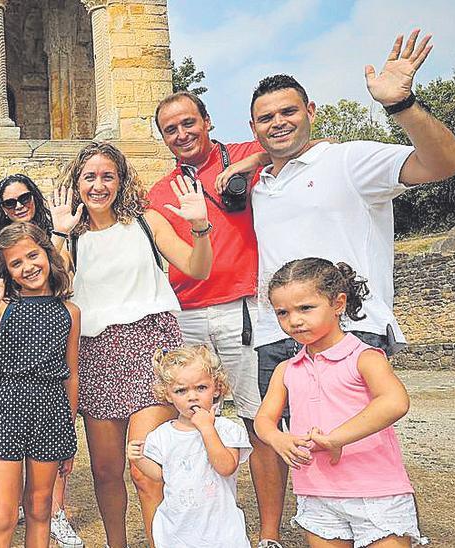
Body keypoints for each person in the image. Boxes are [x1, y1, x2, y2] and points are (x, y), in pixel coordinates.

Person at [227, 30, 455, 527]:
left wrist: (402, 105)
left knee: (365, 451)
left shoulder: (349, 159)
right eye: (266, 118)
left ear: (310, 110)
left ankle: (389, 532)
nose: (278, 123)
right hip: (278, 333)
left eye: (288, 112)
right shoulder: (259, 184)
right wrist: (248, 164)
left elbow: (445, 164)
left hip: (349, 326)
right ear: (253, 127)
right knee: (308, 452)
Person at [50, 141, 213, 548]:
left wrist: (199, 226)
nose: (99, 185)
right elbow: (52, 291)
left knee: (144, 466)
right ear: (77, 183)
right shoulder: (69, 236)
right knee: (106, 471)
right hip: (96, 353)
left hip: (149, 347)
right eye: (90, 177)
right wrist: (58, 234)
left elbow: (198, 267)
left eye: (108, 175)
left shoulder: (146, 222)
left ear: (121, 181)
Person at [149, 91, 286, 547]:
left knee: (255, 417)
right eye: (171, 129)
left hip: (240, 307)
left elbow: (295, 145)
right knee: (189, 416)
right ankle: (196, 524)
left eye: (189, 123)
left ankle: (267, 534)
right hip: (186, 310)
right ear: (163, 138)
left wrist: (244, 168)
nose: (183, 134)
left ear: (207, 120)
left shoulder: (245, 155)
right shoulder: (161, 191)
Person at [255, 259, 426, 547]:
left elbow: (395, 402)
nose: (294, 320)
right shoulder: (286, 369)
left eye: (305, 308)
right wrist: (277, 438)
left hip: (376, 491)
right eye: (282, 312)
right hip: (317, 492)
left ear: (338, 303)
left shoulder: (365, 358)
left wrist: (336, 438)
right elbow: (263, 420)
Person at [0, 223, 80, 548]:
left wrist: (68, 433)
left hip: (51, 417)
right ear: (8, 273)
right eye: (16, 263)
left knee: (40, 509)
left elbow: (71, 375)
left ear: (47, 253)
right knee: (1, 515)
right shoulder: (2, 307)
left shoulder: (70, 311)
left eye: (33, 255)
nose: (28, 266)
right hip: (4, 416)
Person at [128, 345, 251, 548]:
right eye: (181, 390)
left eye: (201, 388)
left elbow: (226, 467)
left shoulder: (227, 430)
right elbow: (161, 475)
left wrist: (206, 429)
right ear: (167, 394)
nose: (192, 396)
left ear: (217, 388)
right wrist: (139, 459)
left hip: (221, 532)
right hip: (178, 532)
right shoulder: (162, 435)